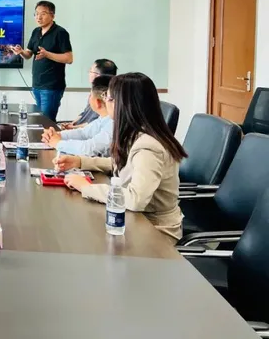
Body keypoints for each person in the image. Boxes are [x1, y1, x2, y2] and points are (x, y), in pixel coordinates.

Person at [56, 73, 186, 240]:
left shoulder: (148, 146)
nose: (105, 101)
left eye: (108, 98)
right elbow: (125, 164)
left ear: (123, 104)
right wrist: (81, 161)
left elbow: (136, 199)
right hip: (134, 220)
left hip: (154, 231)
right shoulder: (137, 132)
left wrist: (86, 187)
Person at [11, 1, 73, 122]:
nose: (39, 17)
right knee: (40, 121)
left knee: (47, 121)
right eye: (36, 14)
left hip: (52, 86)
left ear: (52, 15)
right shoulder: (36, 31)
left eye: (43, 14)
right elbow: (29, 54)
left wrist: (47, 54)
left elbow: (69, 58)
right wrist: (21, 52)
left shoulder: (60, 33)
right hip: (37, 84)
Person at [42, 75, 113, 157]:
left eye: (90, 95)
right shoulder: (103, 119)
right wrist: (58, 135)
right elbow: (83, 133)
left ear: (97, 102)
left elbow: (89, 149)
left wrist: (58, 143)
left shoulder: (114, 123)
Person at [61, 59, 117, 130]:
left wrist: (73, 128)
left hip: (86, 130)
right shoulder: (94, 90)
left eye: (91, 71)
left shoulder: (105, 95)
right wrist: (72, 123)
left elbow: (94, 124)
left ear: (98, 75)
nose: (89, 73)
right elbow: (85, 112)